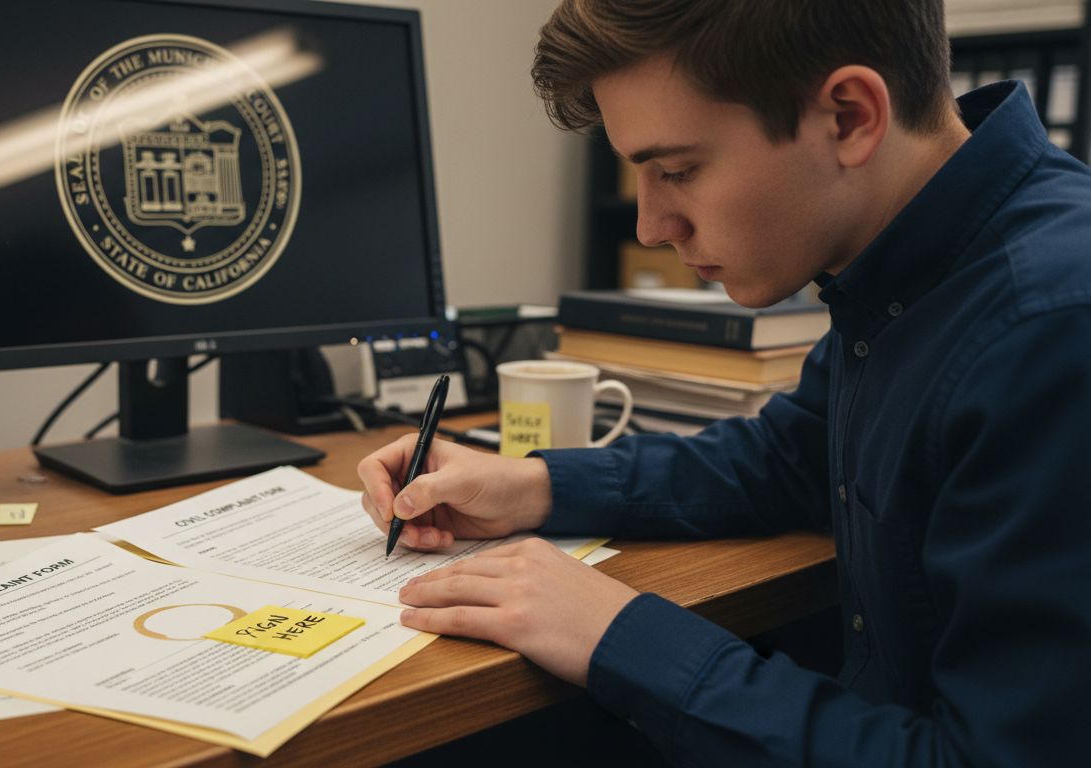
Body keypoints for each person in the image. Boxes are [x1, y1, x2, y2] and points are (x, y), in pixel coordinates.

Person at [356, 1, 1091, 765]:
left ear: (848, 116)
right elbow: (789, 456)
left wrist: (619, 633)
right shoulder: (904, 267)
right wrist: (532, 486)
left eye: (677, 170)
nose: (649, 226)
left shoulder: (1051, 329)